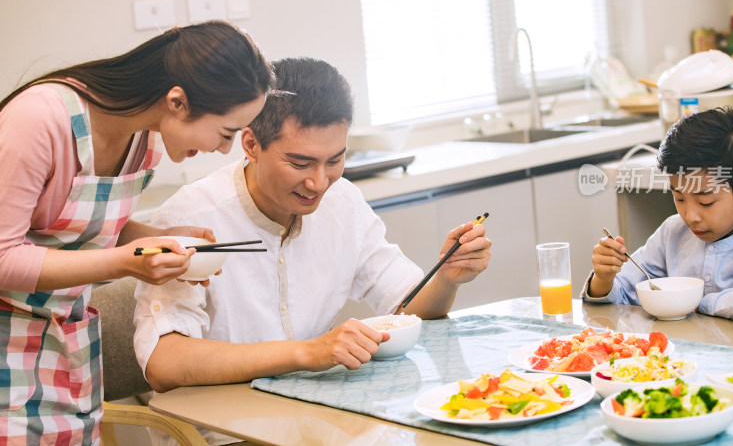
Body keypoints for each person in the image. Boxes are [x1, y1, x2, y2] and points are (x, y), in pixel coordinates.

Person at [132, 56, 492, 444]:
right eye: (300, 162)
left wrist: (446, 278)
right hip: (227, 435)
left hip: (321, 424)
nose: (319, 182)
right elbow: (163, 363)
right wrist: (304, 353)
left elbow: (408, 308)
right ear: (251, 145)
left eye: (335, 160)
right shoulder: (192, 217)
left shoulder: (344, 203)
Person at [0, 20, 272, 445]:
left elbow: (75, 223)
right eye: (226, 132)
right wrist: (126, 262)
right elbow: (4, 256)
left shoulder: (142, 140)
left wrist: (160, 238)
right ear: (178, 102)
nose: (225, 149)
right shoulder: (41, 119)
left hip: (62, 343)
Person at [583, 107, 733, 326]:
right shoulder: (673, 232)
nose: (690, 216)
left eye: (706, 202)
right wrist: (604, 278)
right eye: (679, 198)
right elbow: (622, 294)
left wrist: (699, 302)